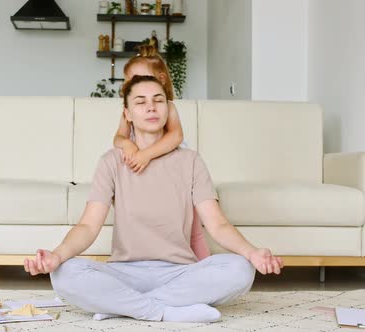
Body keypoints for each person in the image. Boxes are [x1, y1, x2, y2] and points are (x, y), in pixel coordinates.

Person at [24, 76, 283, 323]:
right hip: (124, 272)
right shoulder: (111, 161)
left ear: (168, 109)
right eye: (140, 102)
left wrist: (253, 253)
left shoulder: (190, 161)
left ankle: (123, 307)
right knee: (63, 274)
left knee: (241, 269)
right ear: (127, 114)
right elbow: (88, 227)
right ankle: (165, 311)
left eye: (158, 100)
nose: (151, 107)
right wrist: (56, 256)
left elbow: (218, 225)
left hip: (179, 272)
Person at [115, 44, 211, 261]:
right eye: (130, 81)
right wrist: (128, 145)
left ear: (161, 79)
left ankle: (204, 269)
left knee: (193, 231)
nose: (135, 85)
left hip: (176, 172)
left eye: (139, 78)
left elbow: (175, 136)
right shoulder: (130, 111)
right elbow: (118, 138)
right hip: (145, 174)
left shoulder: (167, 107)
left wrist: (146, 154)